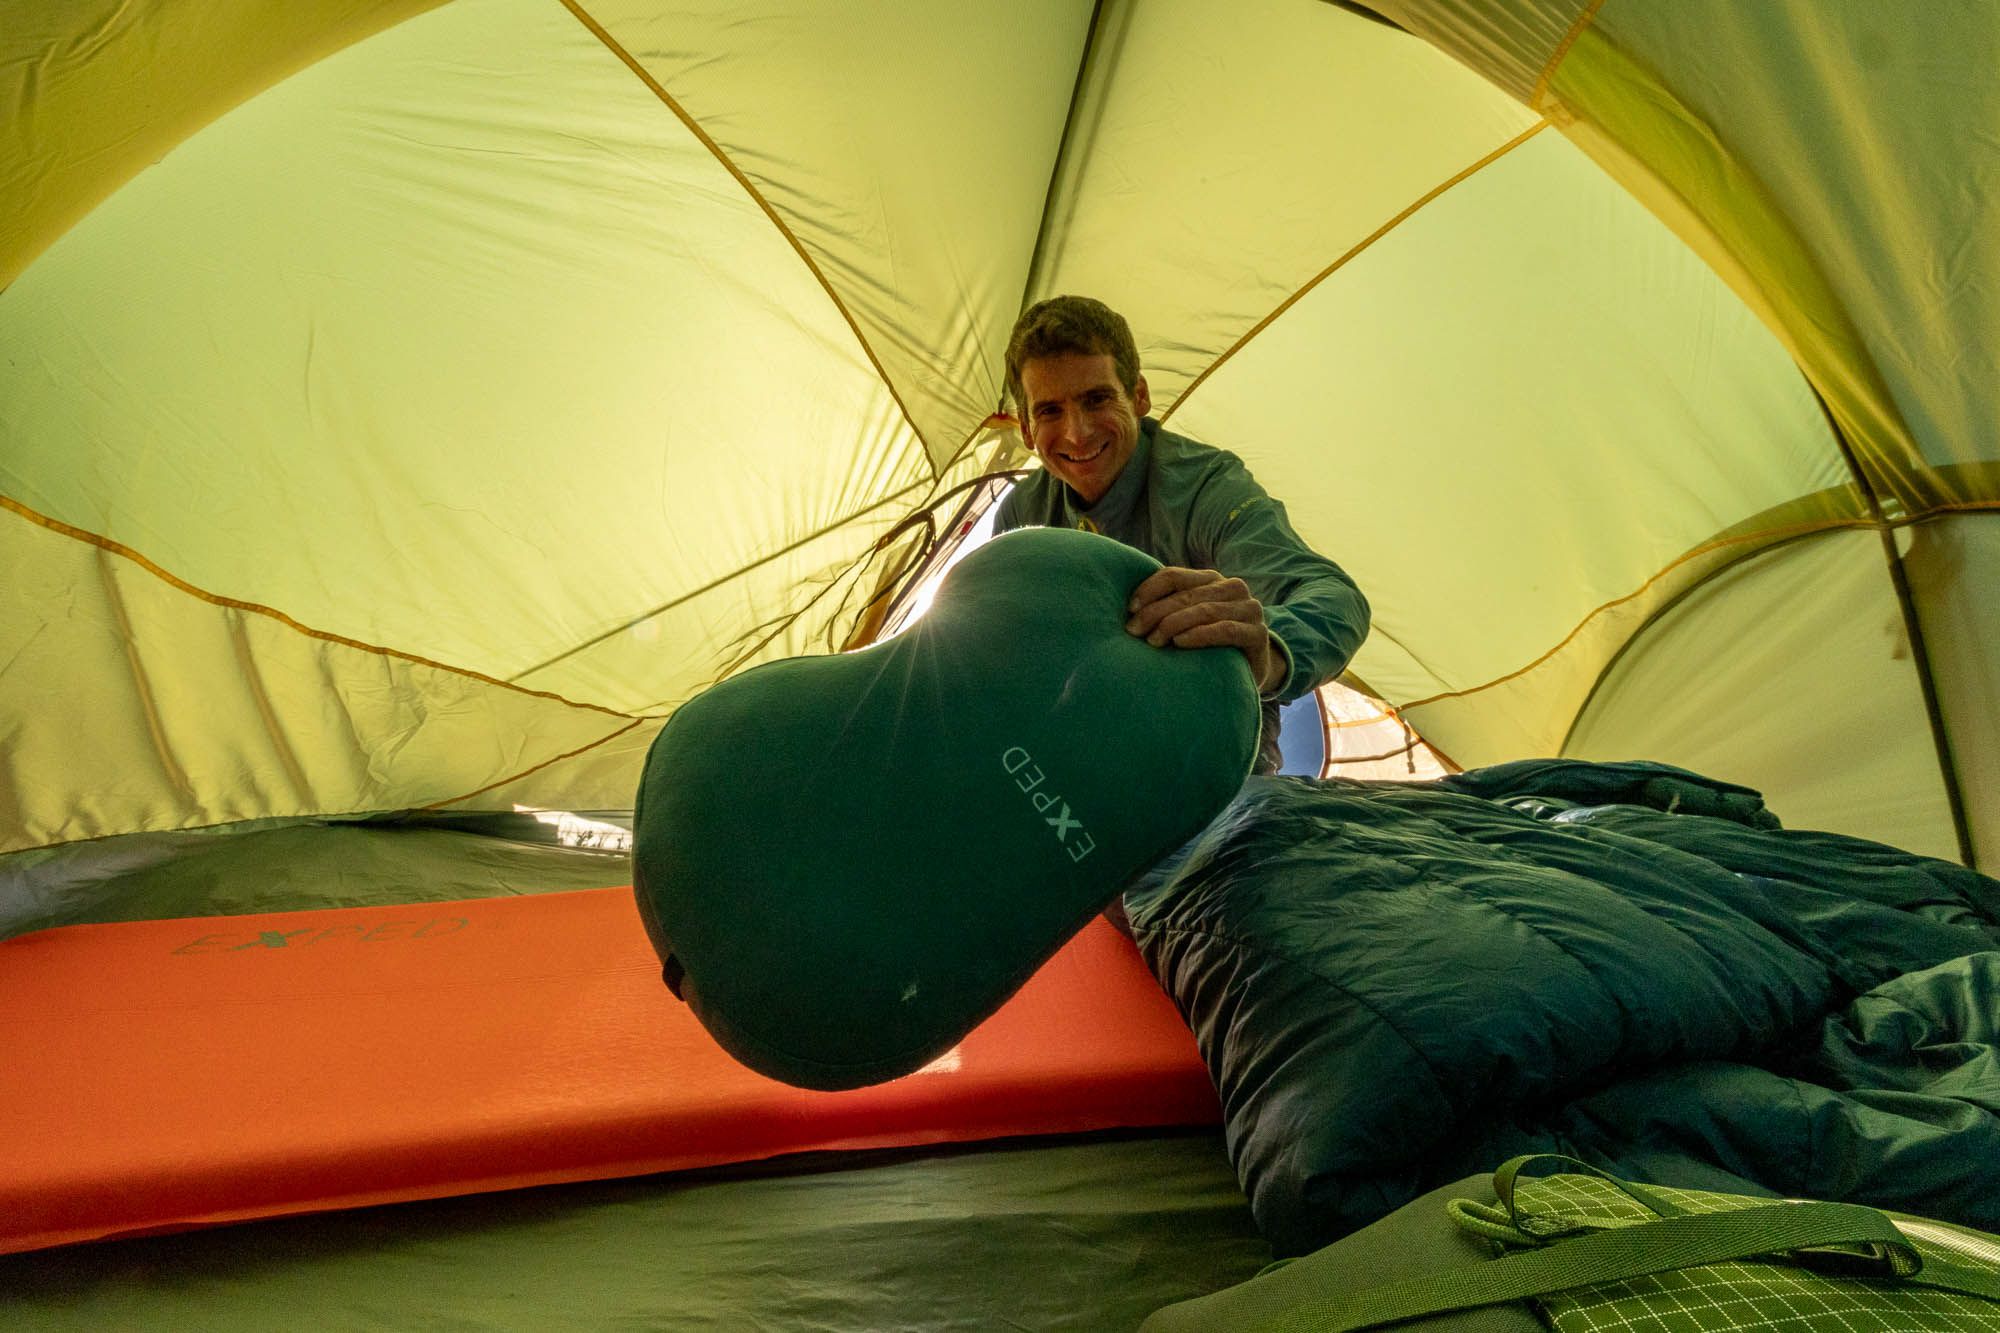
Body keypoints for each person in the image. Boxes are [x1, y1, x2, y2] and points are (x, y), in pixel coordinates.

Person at [994, 295, 1370, 774]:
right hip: (1077, 768)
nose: (1077, 433)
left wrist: (1266, 650)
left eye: (1096, 399)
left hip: (1210, 774)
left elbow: (1338, 600)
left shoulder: (1204, 489)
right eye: (1049, 411)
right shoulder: (1022, 516)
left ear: (1139, 397)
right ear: (1026, 429)